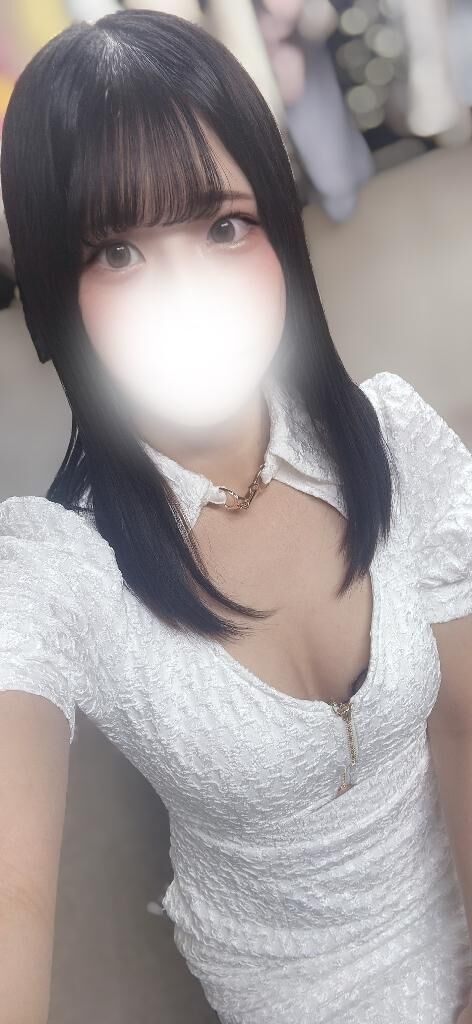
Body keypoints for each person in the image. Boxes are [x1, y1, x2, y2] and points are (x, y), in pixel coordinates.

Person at [1, 9, 472, 1024]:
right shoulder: (52, 569)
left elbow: (470, 728)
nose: (187, 292)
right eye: (116, 251)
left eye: (223, 225)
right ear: (53, 289)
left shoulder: (396, 437)